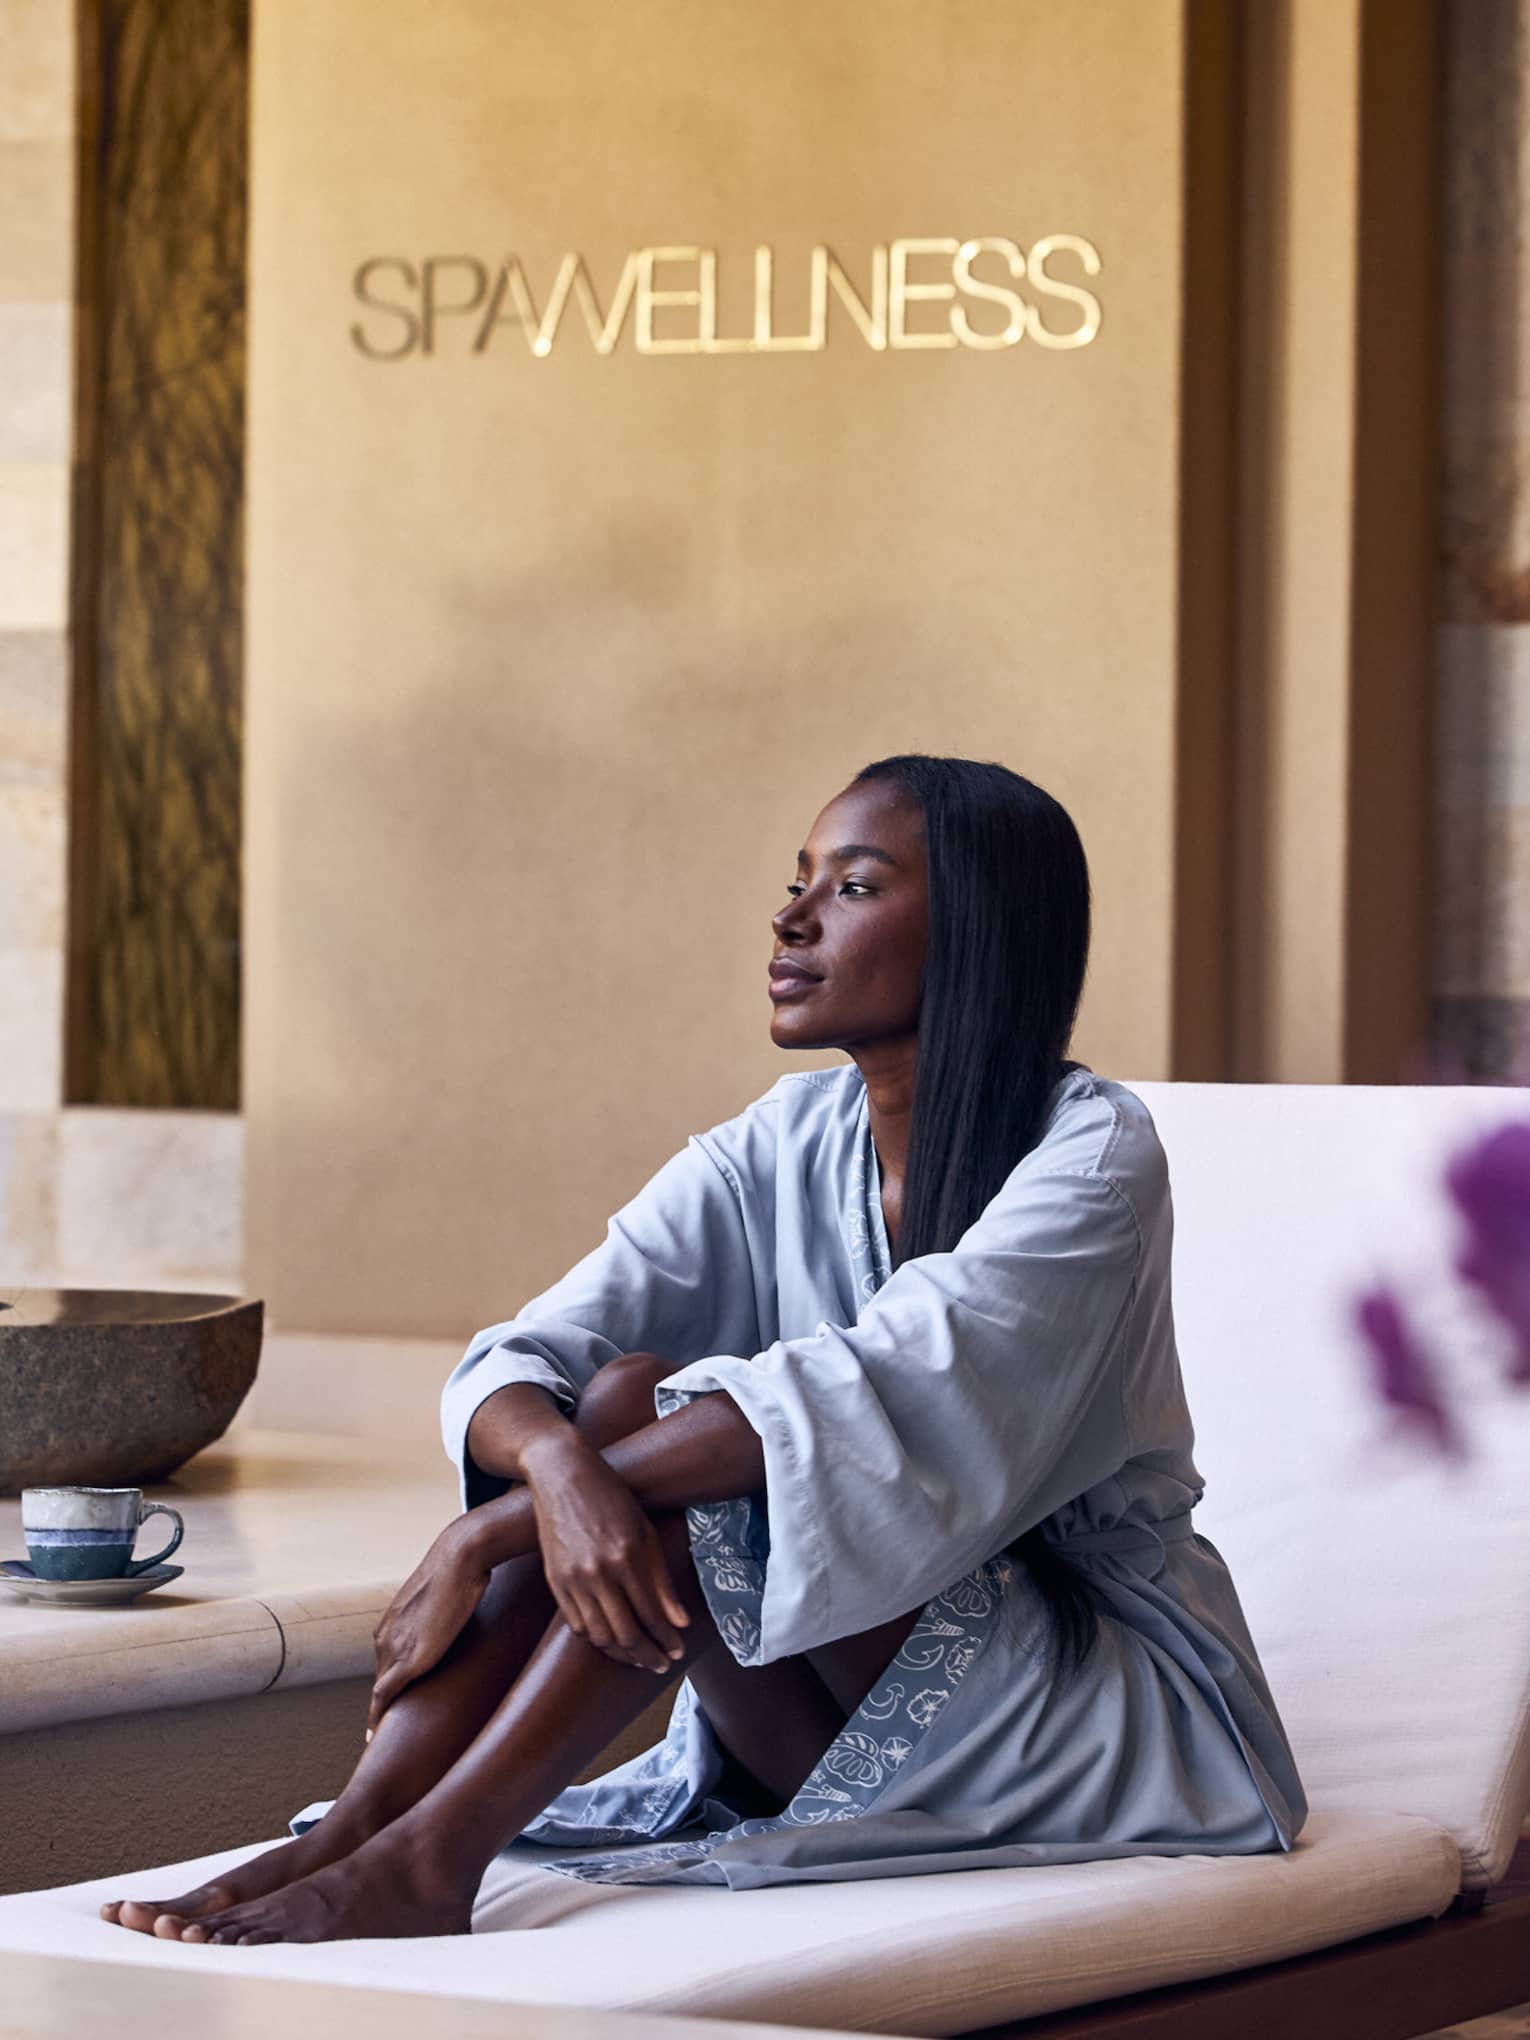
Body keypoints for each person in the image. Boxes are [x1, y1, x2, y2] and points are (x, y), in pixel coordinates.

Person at [101, 752, 1308, 1946]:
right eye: (798, 881)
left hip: (1104, 1714)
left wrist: (490, 1531)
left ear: (980, 931)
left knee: (734, 1471)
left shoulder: (1093, 1156)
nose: (790, 919)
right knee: (621, 1395)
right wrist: (556, 1473)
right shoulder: (785, 1139)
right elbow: (533, 1349)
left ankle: (430, 1861)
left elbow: (864, 1398)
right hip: (837, 1705)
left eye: (852, 887)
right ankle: (357, 1831)